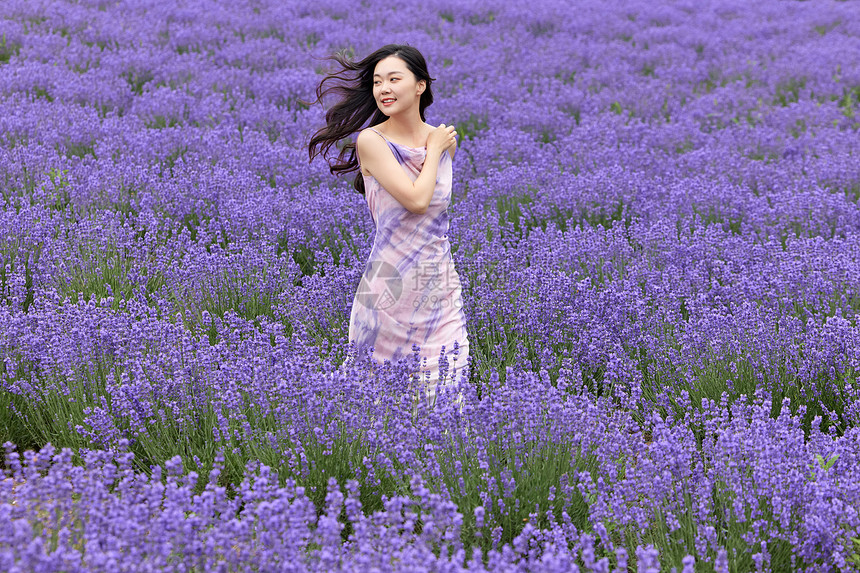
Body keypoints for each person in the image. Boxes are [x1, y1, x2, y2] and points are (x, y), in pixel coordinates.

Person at [305, 44, 470, 411]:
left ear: (420, 86)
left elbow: (435, 214)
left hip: (439, 287)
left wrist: (437, 145)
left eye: (394, 79)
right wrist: (435, 147)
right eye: (378, 81)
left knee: (449, 399)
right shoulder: (372, 141)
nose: (384, 88)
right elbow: (417, 200)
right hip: (390, 292)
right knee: (378, 407)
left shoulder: (443, 142)